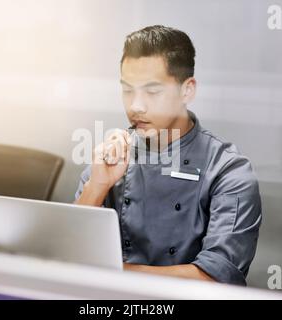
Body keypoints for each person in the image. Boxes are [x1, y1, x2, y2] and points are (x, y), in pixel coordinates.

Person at [74, 25, 262, 285]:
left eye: (152, 92)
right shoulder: (110, 159)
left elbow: (217, 277)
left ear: (187, 90)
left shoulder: (228, 171)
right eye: (128, 90)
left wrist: (109, 272)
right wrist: (97, 186)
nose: (136, 106)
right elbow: (66, 254)